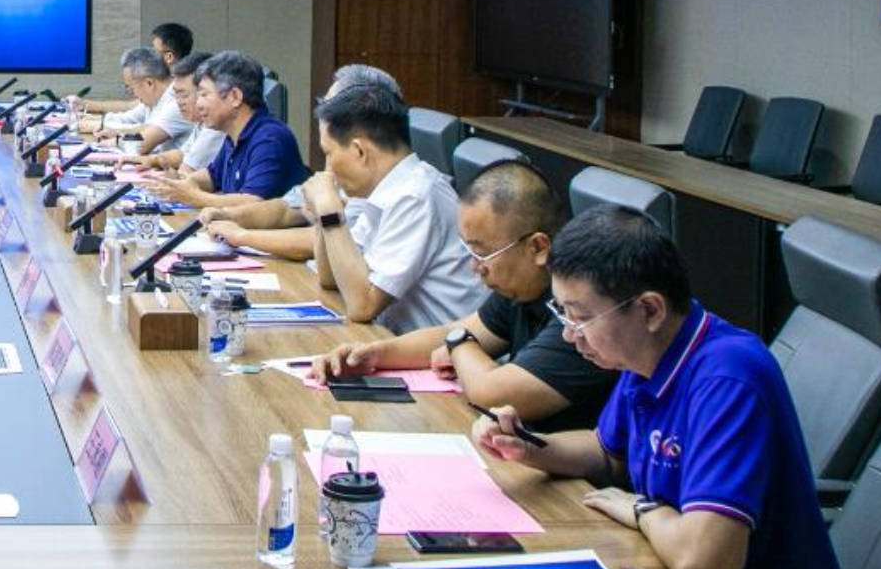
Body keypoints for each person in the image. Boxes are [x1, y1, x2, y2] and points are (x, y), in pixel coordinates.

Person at [472, 206, 859, 569]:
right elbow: (608, 452)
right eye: (564, 315)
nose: (569, 335)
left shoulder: (727, 378)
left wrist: (642, 511)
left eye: (580, 318)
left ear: (650, 309)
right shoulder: (647, 355)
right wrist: (531, 447)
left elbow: (704, 564)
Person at [310, 160, 615, 428]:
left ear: (537, 247)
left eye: (483, 253)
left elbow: (490, 393)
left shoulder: (579, 312)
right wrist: (373, 355)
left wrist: (458, 343)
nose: (475, 266)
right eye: (469, 250)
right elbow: (453, 332)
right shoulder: (521, 290)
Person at [296, 82, 483, 331]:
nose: (327, 167)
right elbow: (330, 279)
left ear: (360, 151)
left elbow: (363, 306)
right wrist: (323, 214)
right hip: (395, 340)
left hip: (441, 352)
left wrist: (330, 210)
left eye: (329, 153)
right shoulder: (385, 192)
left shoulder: (416, 196)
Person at [199, 64, 409, 260]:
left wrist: (242, 236)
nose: (322, 114)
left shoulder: (378, 187)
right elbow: (286, 209)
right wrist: (228, 215)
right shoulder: (343, 165)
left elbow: (327, 243)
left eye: (330, 107)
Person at [143, 51, 304, 209]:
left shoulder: (270, 138)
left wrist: (193, 197)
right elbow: (212, 176)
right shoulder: (233, 134)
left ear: (235, 97)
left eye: (204, 94)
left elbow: (253, 203)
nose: (198, 104)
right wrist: (181, 183)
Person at [136, 52, 224, 179]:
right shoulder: (202, 121)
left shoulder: (216, 125)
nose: (178, 102)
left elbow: (187, 171)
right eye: (175, 95)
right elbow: (183, 153)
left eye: (184, 95)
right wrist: (150, 160)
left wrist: (174, 179)